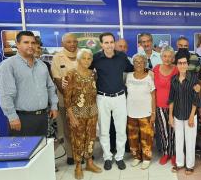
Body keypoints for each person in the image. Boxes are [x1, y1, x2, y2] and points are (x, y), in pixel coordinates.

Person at [0, 31, 58, 136]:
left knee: (41, 150)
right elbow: (6, 94)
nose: (30, 45)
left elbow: (50, 87)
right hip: (21, 119)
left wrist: (54, 106)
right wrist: (12, 117)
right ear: (17, 44)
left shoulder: (42, 65)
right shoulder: (8, 65)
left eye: (33, 43)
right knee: (23, 151)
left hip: (43, 117)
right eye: (26, 42)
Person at [91, 32, 133, 170]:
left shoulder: (121, 56)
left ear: (114, 43)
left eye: (111, 42)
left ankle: (119, 157)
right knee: (104, 130)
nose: (109, 45)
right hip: (102, 98)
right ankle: (107, 157)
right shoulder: (96, 58)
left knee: (121, 130)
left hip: (120, 97)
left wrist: (147, 71)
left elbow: (131, 69)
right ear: (101, 44)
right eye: (106, 42)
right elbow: (85, 71)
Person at [63, 49, 102, 179]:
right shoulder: (71, 74)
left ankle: (89, 163)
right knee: (78, 140)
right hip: (77, 113)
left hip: (92, 112)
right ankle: (78, 166)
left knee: (91, 138)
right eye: (84, 58)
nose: (86, 61)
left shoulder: (93, 74)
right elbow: (67, 97)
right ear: (78, 59)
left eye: (89, 58)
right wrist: (71, 116)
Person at [168, 49, 201, 175]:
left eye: (184, 63)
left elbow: (196, 99)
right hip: (177, 114)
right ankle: (180, 163)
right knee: (179, 140)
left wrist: (192, 116)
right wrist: (170, 116)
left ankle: (190, 165)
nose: (182, 65)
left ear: (188, 64)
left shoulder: (193, 79)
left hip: (190, 115)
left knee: (190, 140)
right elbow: (171, 98)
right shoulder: (174, 79)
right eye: (180, 63)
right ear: (176, 65)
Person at [51, 33, 79, 165]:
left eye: (74, 41)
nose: (72, 44)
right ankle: (71, 154)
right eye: (69, 42)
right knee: (68, 129)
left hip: (83, 101)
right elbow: (57, 79)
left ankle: (83, 152)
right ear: (63, 44)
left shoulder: (83, 54)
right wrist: (69, 97)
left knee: (82, 128)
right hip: (65, 100)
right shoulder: (57, 57)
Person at [126, 54, 156, 170]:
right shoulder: (128, 76)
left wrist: (153, 113)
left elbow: (153, 96)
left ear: (145, 64)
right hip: (131, 112)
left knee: (146, 137)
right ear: (133, 64)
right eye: (136, 62)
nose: (139, 64)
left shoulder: (149, 77)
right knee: (133, 137)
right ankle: (136, 157)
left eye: (141, 62)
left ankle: (146, 158)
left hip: (146, 113)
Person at [153, 46, 178, 165]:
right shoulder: (156, 69)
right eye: (165, 56)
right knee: (163, 131)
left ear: (173, 57)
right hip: (159, 105)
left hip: (174, 106)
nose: (167, 58)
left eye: (170, 56)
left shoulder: (177, 69)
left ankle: (173, 153)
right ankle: (165, 153)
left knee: (173, 130)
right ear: (161, 57)